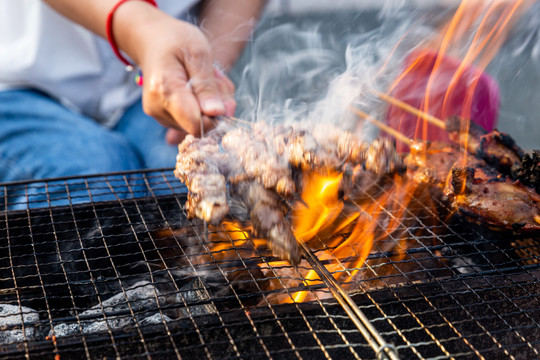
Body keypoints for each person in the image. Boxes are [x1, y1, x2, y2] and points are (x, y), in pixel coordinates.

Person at [0, 0, 266, 208]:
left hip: (146, 82)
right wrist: (144, 32)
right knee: (97, 179)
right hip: (19, 81)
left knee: (201, 184)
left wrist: (202, 72)